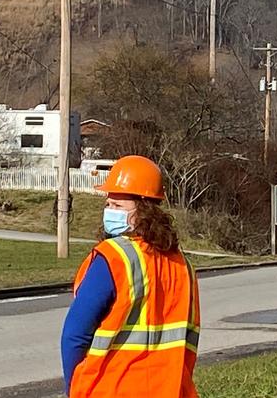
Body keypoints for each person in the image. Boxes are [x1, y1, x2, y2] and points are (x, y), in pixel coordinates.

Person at [61, 155, 200, 398]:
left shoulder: (112, 257)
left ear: (144, 210)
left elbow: (75, 334)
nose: (109, 211)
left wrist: (73, 388)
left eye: (118, 206)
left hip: (110, 389)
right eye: (108, 204)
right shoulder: (183, 265)